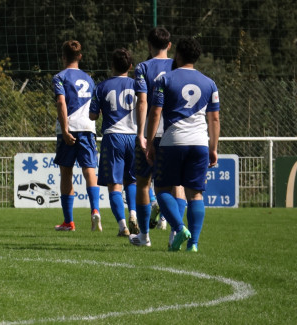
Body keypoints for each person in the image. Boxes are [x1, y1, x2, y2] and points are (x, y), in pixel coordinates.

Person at [146, 37, 219, 252]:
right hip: (200, 143)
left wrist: (150, 143)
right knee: (195, 194)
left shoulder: (165, 80)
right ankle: (193, 243)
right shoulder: (210, 83)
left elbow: (155, 112)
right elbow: (214, 119)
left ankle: (179, 228)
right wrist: (213, 148)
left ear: (177, 55)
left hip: (173, 141)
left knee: (161, 190)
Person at [130, 27, 178, 247]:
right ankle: (175, 234)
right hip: (173, 133)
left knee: (143, 182)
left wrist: (141, 134)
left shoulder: (142, 67)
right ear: (169, 45)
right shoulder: (178, 66)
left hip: (152, 132)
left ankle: (144, 237)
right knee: (174, 183)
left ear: (148, 45)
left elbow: (143, 102)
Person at [52, 40, 101, 232]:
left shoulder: (59, 77)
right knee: (89, 170)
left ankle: (69, 222)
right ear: (80, 57)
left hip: (70, 126)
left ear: (63, 57)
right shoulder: (89, 79)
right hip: (88, 127)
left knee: (66, 172)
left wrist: (65, 130)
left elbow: (61, 103)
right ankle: (95, 210)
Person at [89, 49, 138, 236]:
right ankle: (133, 214)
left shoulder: (101, 87)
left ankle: (123, 226)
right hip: (134, 136)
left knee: (114, 185)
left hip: (113, 137)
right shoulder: (137, 85)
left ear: (112, 65)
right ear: (130, 66)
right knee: (132, 180)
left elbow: (92, 115)